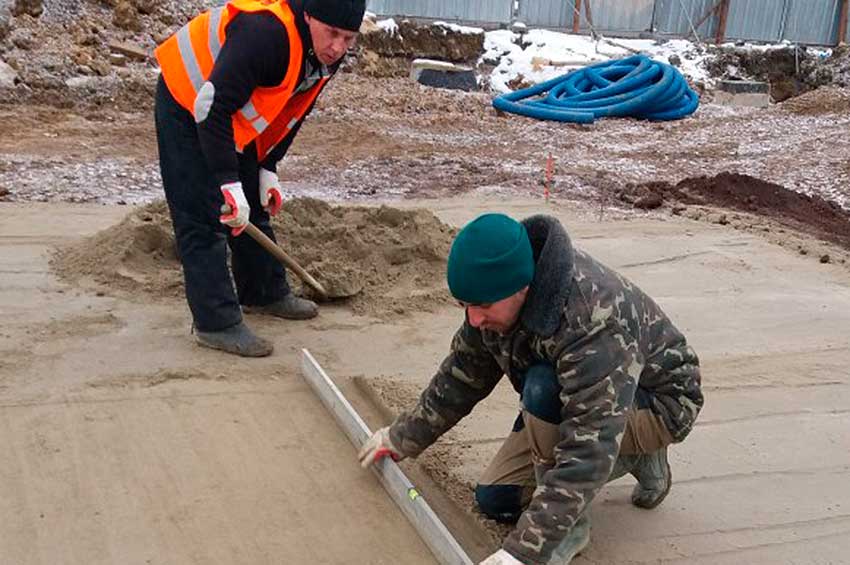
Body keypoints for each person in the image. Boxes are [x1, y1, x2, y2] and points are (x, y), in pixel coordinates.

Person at [359, 213, 704, 565]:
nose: (474, 320)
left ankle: (586, 515)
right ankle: (629, 456)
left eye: (483, 306)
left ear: (522, 287)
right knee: (496, 499)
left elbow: (589, 448)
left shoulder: (591, 318)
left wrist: (522, 553)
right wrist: (401, 437)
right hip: (573, 396)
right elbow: (462, 376)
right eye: (465, 306)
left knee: (541, 389)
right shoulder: (496, 293)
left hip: (659, 404)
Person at [153, 0, 365, 357]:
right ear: (309, 15)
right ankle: (215, 323)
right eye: (332, 33)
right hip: (188, 98)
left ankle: (263, 292)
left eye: (349, 39)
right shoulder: (267, 35)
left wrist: (268, 165)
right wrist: (226, 182)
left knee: (252, 201)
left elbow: (293, 109)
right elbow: (210, 106)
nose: (338, 47)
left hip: (226, 109)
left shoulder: (327, 52)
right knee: (203, 214)